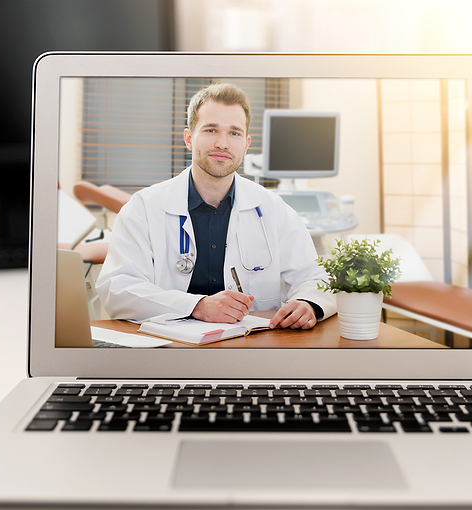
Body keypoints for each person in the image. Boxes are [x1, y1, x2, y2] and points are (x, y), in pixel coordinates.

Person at [96, 83, 336, 329]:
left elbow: (314, 277)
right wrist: (196, 306)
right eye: (211, 130)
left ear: (246, 144)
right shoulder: (144, 208)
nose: (223, 143)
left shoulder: (273, 209)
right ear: (189, 138)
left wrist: (308, 303)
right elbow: (118, 287)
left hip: (252, 346)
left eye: (234, 133)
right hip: (169, 347)